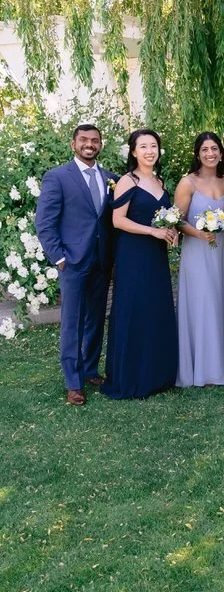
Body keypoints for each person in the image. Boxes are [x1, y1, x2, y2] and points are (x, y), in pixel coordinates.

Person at [35, 124, 118, 406]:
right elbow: (44, 223)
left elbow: (109, 222)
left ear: (100, 145)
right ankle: (73, 382)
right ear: (73, 144)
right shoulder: (57, 177)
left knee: (96, 317)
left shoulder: (110, 178)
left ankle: (90, 369)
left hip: (102, 260)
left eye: (95, 140)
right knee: (72, 321)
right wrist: (59, 257)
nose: (89, 144)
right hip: (72, 261)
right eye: (83, 140)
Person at [101, 129, 178, 399]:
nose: (149, 151)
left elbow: (163, 215)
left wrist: (170, 228)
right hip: (133, 254)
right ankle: (133, 376)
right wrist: (153, 231)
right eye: (143, 146)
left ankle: (157, 374)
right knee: (134, 309)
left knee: (155, 309)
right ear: (134, 151)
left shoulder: (160, 182)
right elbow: (117, 221)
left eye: (154, 146)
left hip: (156, 255)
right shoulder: (127, 181)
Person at [174, 132, 224, 387]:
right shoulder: (187, 183)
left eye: (214, 149)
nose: (210, 153)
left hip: (222, 251)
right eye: (204, 149)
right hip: (197, 251)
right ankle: (202, 368)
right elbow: (177, 220)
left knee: (222, 301)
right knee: (203, 304)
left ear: (221, 153)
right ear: (197, 154)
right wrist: (199, 233)